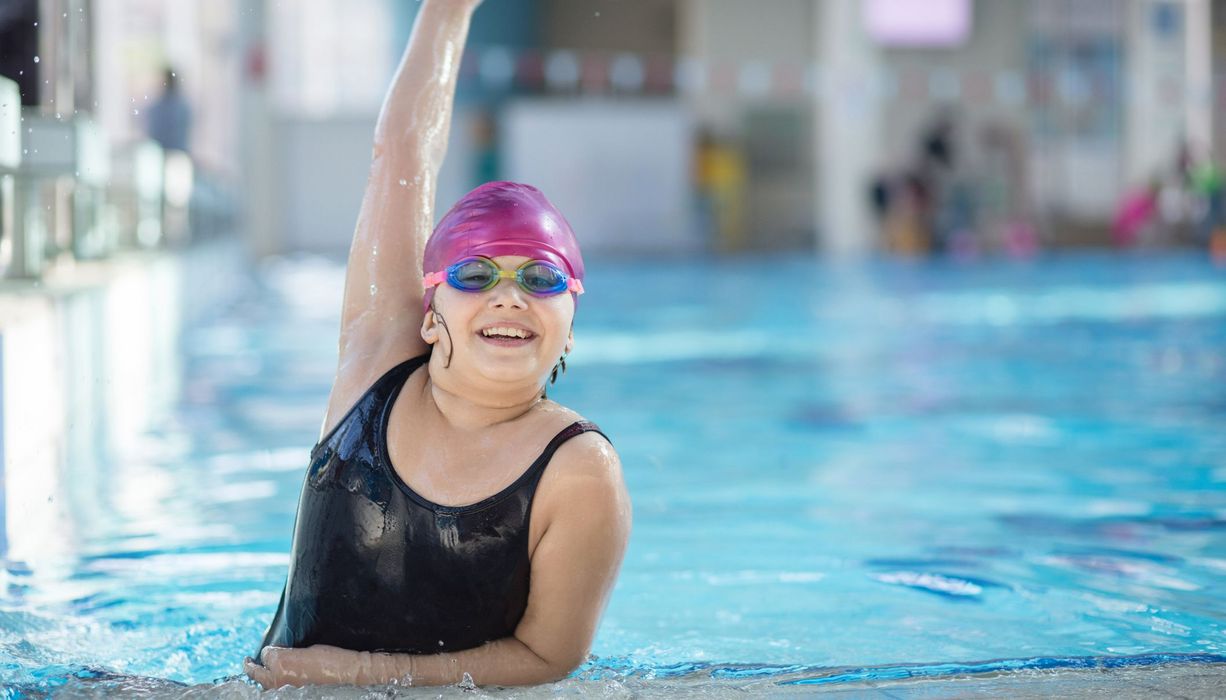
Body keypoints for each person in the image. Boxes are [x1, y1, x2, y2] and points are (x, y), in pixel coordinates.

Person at [243, 0, 631, 688]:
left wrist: (359, 674)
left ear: (571, 317)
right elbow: (401, 151)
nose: (508, 296)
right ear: (428, 314)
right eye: (476, 274)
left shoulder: (579, 472)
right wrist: (448, 10)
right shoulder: (376, 361)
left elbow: (550, 659)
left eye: (539, 278)